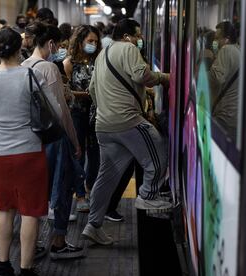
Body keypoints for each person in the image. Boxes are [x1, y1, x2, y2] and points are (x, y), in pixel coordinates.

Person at [0, 27, 61, 276]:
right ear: (19, 48)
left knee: (4, 208)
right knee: (30, 211)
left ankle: (3, 265)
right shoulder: (31, 76)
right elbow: (52, 112)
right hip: (30, 152)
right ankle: (26, 268)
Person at [81, 19, 171, 245]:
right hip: (127, 120)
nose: (140, 39)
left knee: (106, 176)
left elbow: (92, 89)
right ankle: (148, 196)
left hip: (103, 125)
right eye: (138, 34)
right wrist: (165, 78)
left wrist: (106, 108)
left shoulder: (102, 54)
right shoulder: (129, 48)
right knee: (158, 149)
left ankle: (93, 225)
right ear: (128, 35)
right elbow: (143, 76)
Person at [22, 21, 85, 260]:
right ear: (50, 43)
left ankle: (33, 243)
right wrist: (74, 140)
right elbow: (61, 111)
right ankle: (58, 241)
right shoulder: (48, 68)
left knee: (37, 189)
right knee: (62, 186)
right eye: (56, 44)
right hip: (55, 139)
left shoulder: (23, 65)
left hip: (32, 138)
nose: (57, 48)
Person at [64, 25, 102, 213]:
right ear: (80, 42)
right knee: (79, 153)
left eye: (96, 41)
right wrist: (84, 94)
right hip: (77, 113)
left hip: (96, 113)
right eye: (90, 41)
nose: (93, 44)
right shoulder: (69, 63)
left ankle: (90, 187)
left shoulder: (99, 61)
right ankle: (79, 194)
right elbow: (66, 92)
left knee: (96, 152)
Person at [209, 21, 241, 141]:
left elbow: (217, 78)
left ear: (227, 39)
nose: (215, 42)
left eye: (217, 38)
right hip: (234, 115)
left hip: (224, 114)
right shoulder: (238, 50)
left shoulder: (226, 50)